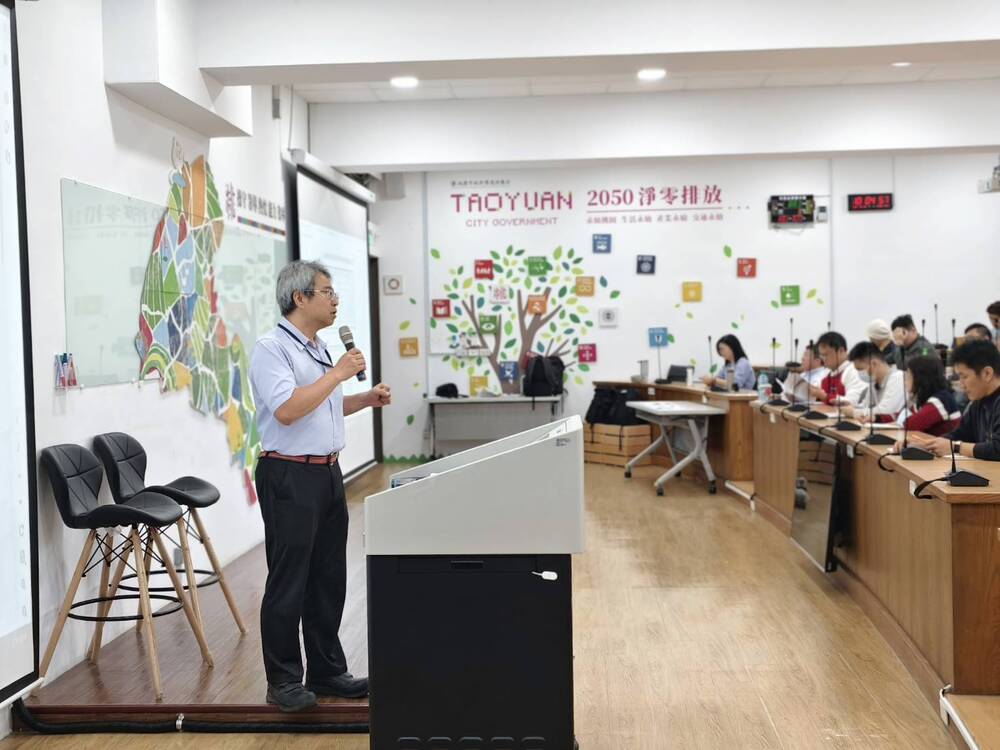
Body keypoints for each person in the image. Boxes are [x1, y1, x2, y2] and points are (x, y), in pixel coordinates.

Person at [249, 260, 392, 712]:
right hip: (289, 475)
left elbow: (321, 405)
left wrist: (363, 398)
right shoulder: (272, 349)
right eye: (327, 292)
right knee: (289, 581)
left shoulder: (318, 347)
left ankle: (328, 671)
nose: (335, 301)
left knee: (328, 579)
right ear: (300, 297)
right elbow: (288, 410)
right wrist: (338, 374)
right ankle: (283, 681)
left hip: (327, 473)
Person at [909, 340, 1000, 460]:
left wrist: (956, 447)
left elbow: (997, 449)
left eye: (964, 377)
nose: (961, 384)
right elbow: (958, 435)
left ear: (987, 373)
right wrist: (926, 445)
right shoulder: (978, 402)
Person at [889, 356, 960, 439]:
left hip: (945, 446)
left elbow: (912, 425)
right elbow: (902, 416)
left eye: (908, 376)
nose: (905, 381)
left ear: (920, 378)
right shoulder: (924, 398)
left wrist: (900, 421)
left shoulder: (941, 400)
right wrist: (878, 418)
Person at [840, 342, 905, 422]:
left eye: (860, 369)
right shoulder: (874, 383)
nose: (859, 374)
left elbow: (885, 412)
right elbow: (865, 407)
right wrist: (852, 406)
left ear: (873, 363)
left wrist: (854, 412)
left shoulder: (898, 378)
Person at [811, 331, 866, 406]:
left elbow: (853, 402)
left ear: (841, 351)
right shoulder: (827, 373)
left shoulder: (855, 370)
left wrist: (825, 397)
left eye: (826, 355)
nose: (824, 359)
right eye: (822, 355)